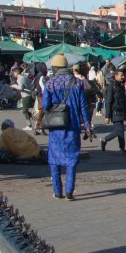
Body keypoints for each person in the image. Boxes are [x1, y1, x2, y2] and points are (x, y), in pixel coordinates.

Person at [39, 53, 92, 200]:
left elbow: (45, 105)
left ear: (55, 67)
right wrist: (87, 125)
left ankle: (57, 192)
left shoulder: (50, 83)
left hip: (56, 128)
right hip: (73, 127)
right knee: (71, 160)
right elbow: (83, 106)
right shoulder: (77, 83)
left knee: (54, 160)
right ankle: (69, 191)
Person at [101, 67, 126, 154]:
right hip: (114, 111)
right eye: (121, 75)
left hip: (121, 111)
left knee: (121, 130)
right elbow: (108, 101)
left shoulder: (121, 86)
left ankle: (122, 148)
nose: (123, 77)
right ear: (115, 76)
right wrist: (107, 116)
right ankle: (105, 139)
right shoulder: (111, 86)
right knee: (119, 130)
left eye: (123, 75)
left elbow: (124, 100)